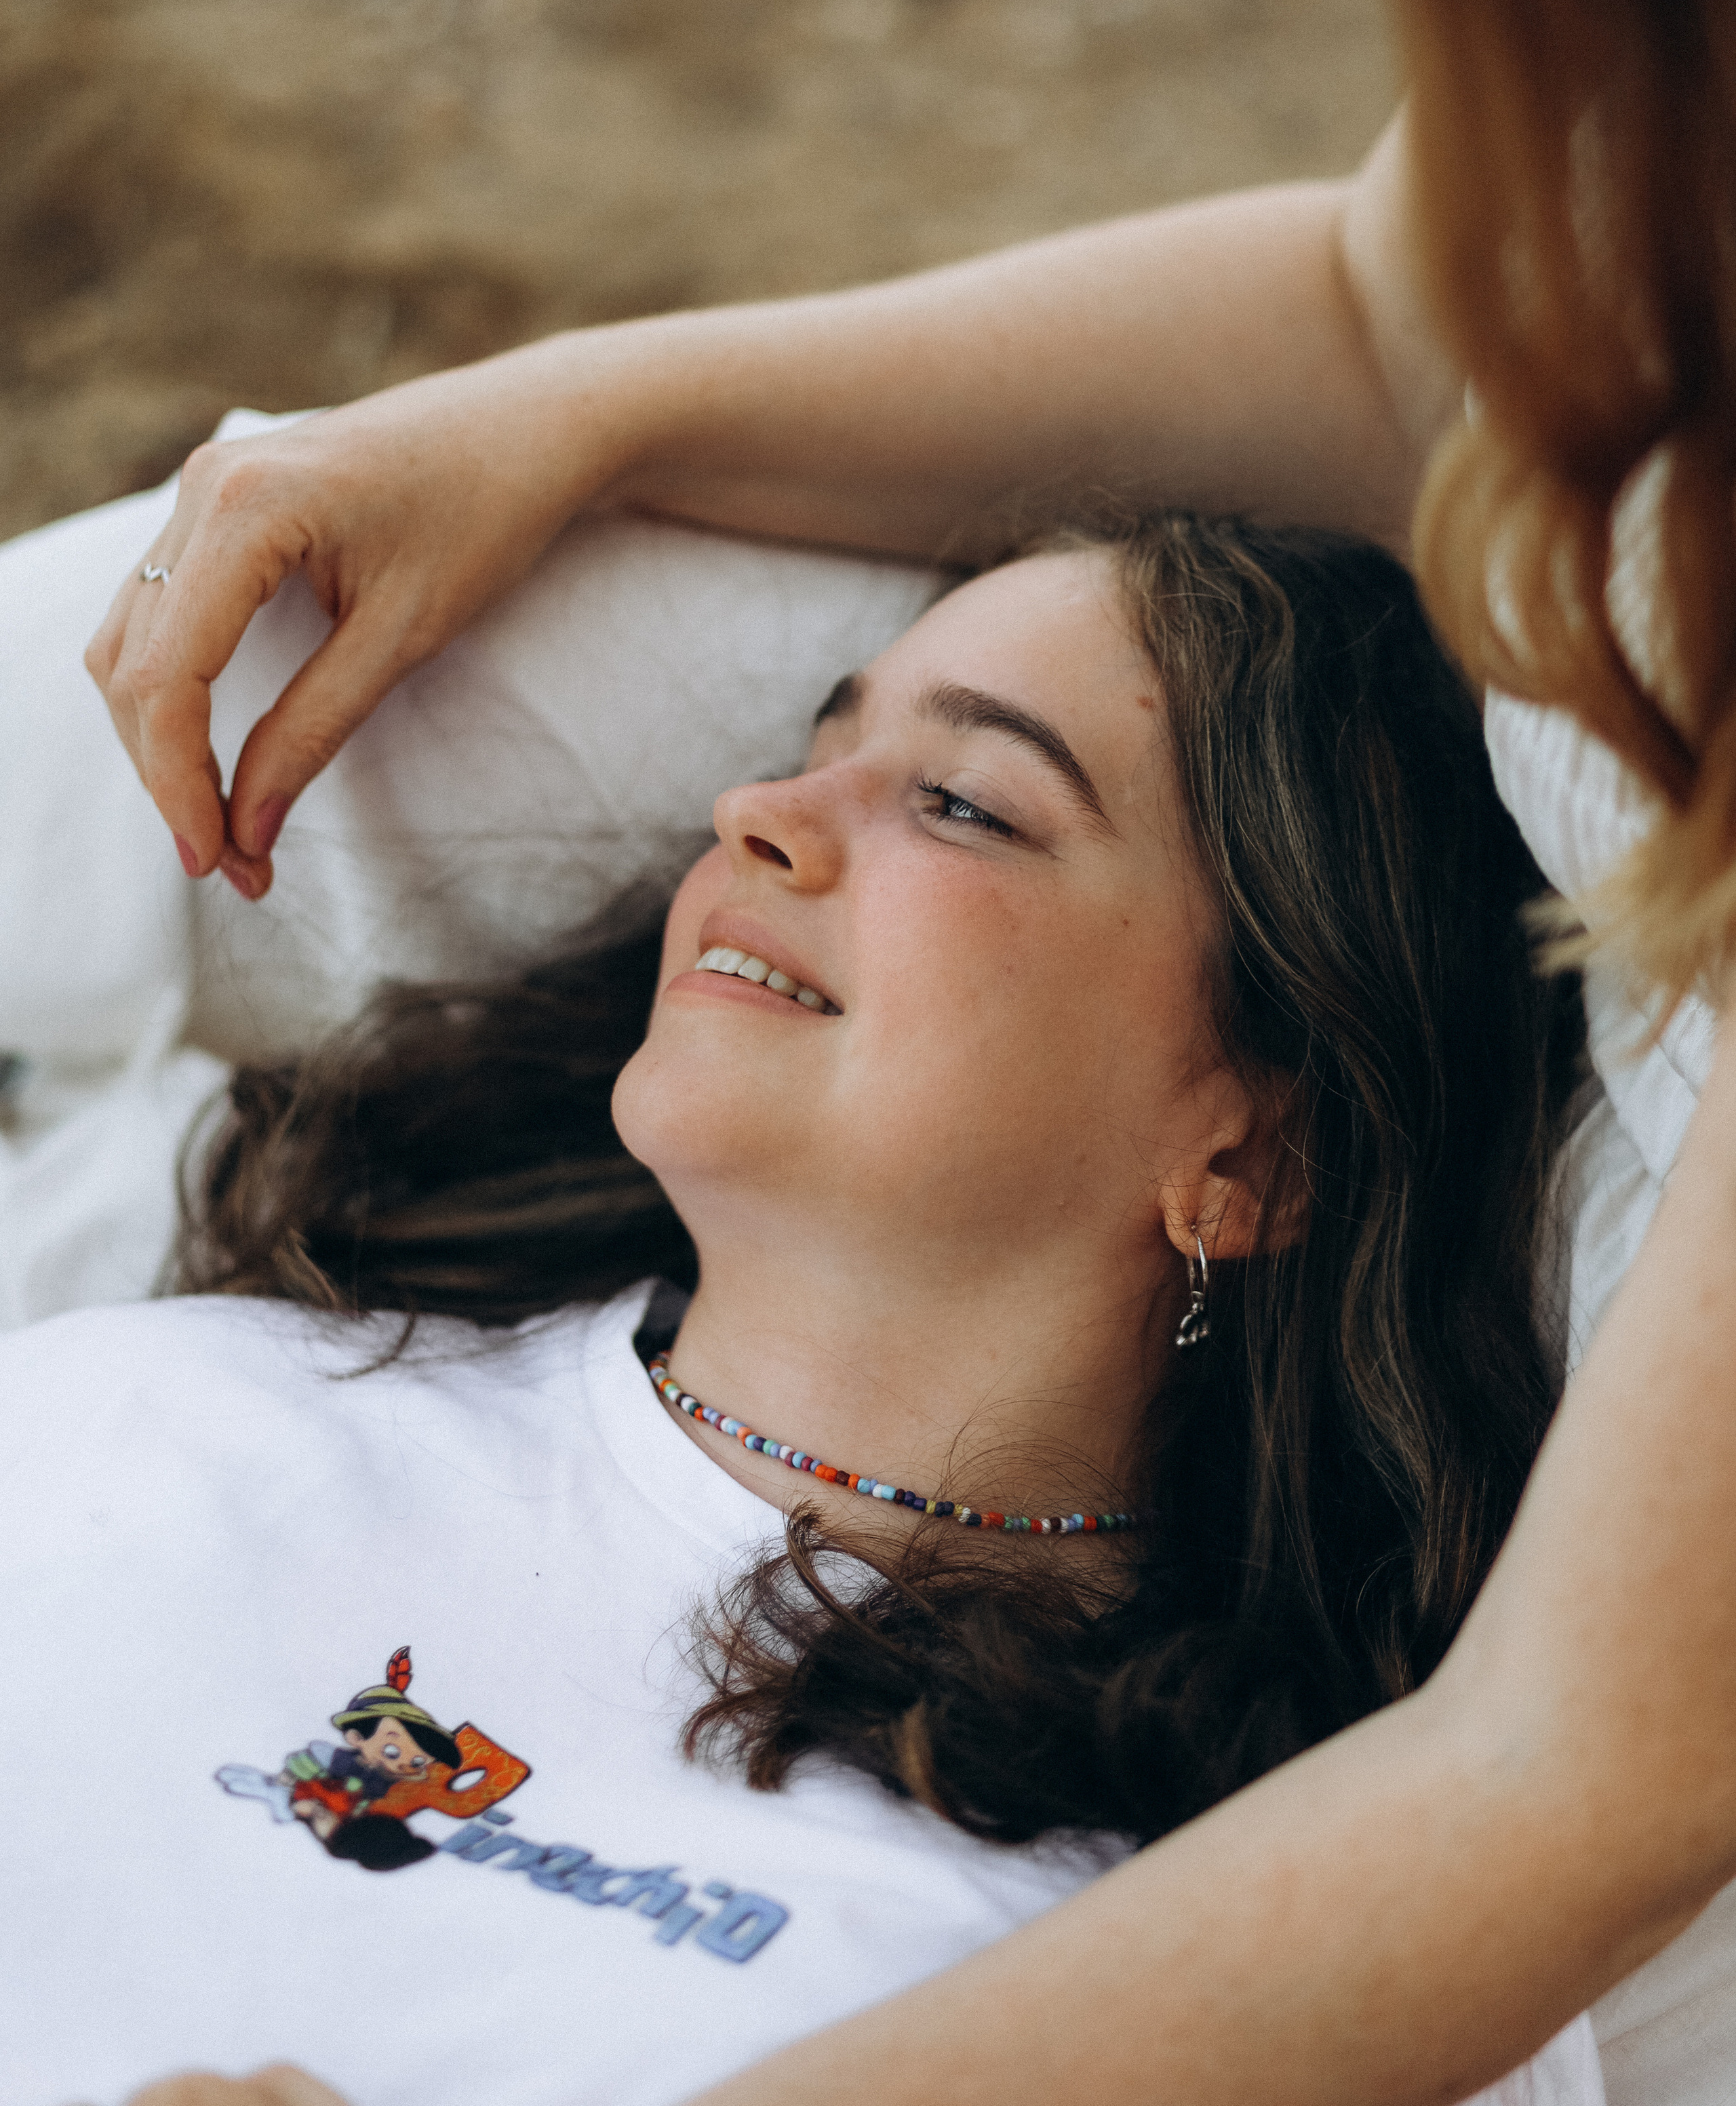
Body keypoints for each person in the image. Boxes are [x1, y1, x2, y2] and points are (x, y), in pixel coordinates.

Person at [79, 0, 1736, 2100]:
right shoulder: (147, 1433)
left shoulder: (1076, 1890)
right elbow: (1386, 317)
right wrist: (582, 407)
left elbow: (1586, 1780)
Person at [4, 523, 1594, 2106]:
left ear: (1250, 1152)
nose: (755, 811)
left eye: (963, 805)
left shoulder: (1299, 1937)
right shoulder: (157, 1408)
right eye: (811, 748)